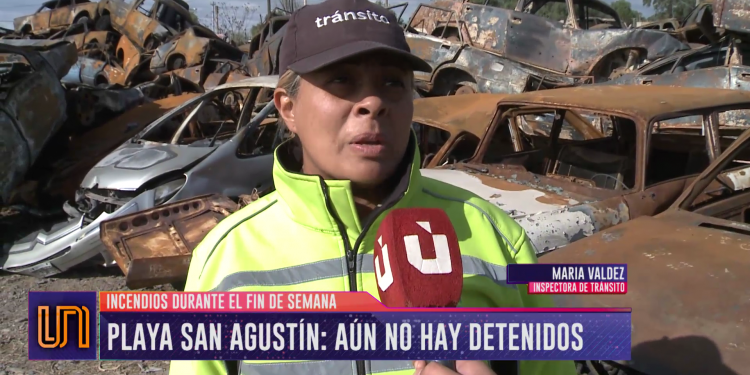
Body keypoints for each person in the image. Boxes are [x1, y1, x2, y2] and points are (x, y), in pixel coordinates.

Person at [168, 0, 578, 374]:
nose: (373, 103)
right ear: (288, 109)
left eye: (392, 83)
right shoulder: (226, 262)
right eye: (342, 79)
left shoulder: (496, 237)